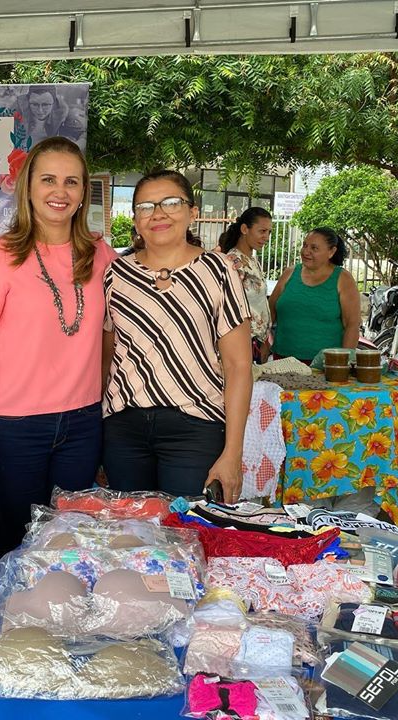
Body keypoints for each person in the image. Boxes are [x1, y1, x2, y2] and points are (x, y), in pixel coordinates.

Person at [0, 136, 118, 560]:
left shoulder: (101, 255)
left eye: (71, 181)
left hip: (83, 423)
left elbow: (110, 335)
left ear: (83, 192)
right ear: (28, 186)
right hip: (14, 427)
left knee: (67, 546)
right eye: (48, 179)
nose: (60, 191)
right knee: (16, 548)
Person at [102, 170, 253, 502]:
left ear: (192, 212)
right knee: (131, 528)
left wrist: (233, 453)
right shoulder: (116, 273)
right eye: (146, 207)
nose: (158, 213)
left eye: (171, 203)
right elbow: (106, 354)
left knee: (187, 527)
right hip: (124, 429)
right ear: (136, 220)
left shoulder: (218, 270)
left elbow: (239, 365)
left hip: (196, 428)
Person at [268, 227, 361, 363]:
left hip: (326, 364)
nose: (306, 252)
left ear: (331, 252)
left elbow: (352, 325)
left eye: (314, 248)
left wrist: (343, 362)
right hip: (282, 360)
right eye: (305, 245)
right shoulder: (289, 273)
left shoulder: (343, 279)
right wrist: (264, 345)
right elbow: (270, 312)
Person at [219, 207, 274, 362]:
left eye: (269, 232)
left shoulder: (252, 261)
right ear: (244, 229)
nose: (266, 237)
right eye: (262, 231)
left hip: (258, 341)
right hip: (241, 342)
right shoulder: (232, 262)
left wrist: (265, 340)